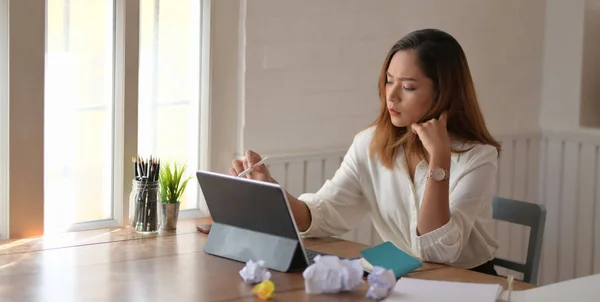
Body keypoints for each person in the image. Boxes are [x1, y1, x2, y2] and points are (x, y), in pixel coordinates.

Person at [229, 28, 501, 276]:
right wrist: (273, 191)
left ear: (444, 93)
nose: (391, 96)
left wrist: (439, 158)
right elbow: (327, 214)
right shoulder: (370, 143)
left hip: (467, 282)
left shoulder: (478, 157)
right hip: (404, 277)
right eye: (388, 81)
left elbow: (438, 253)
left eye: (408, 87)